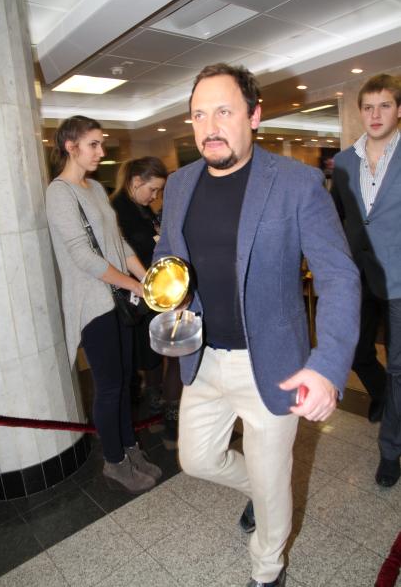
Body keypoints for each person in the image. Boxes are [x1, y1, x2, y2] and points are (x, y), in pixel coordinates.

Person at [153, 63, 360, 587]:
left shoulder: (296, 183)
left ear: (254, 115)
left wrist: (327, 366)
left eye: (224, 111)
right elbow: (167, 256)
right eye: (199, 115)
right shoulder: (179, 184)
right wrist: (166, 295)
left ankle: (268, 571)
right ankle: (261, 492)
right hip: (203, 358)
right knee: (197, 459)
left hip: (272, 362)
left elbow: (339, 276)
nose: (210, 127)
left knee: (273, 483)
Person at [45, 115, 162, 494]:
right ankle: (114, 460)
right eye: (93, 144)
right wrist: (133, 285)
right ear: (70, 146)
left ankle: (130, 448)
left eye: (100, 143)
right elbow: (83, 256)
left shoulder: (95, 187)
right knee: (110, 386)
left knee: (126, 380)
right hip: (93, 303)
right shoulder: (60, 193)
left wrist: (146, 278)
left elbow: (117, 242)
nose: (100, 151)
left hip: (117, 299)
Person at [331, 74, 401, 488]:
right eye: (368, 107)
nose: (375, 115)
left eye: (384, 106)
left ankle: (390, 450)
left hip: (399, 281)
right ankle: (384, 399)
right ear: (360, 112)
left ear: (398, 110)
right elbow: (335, 219)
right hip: (357, 277)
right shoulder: (343, 163)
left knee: (398, 368)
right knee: (355, 354)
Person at [111, 157, 182, 438]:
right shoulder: (115, 210)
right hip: (137, 296)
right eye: (152, 190)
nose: (155, 197)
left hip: (153, 291)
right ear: (136, 181)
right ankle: (158, 408)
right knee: (152, 354)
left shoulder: (142, 209)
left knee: (161, 352)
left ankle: (162, 407)